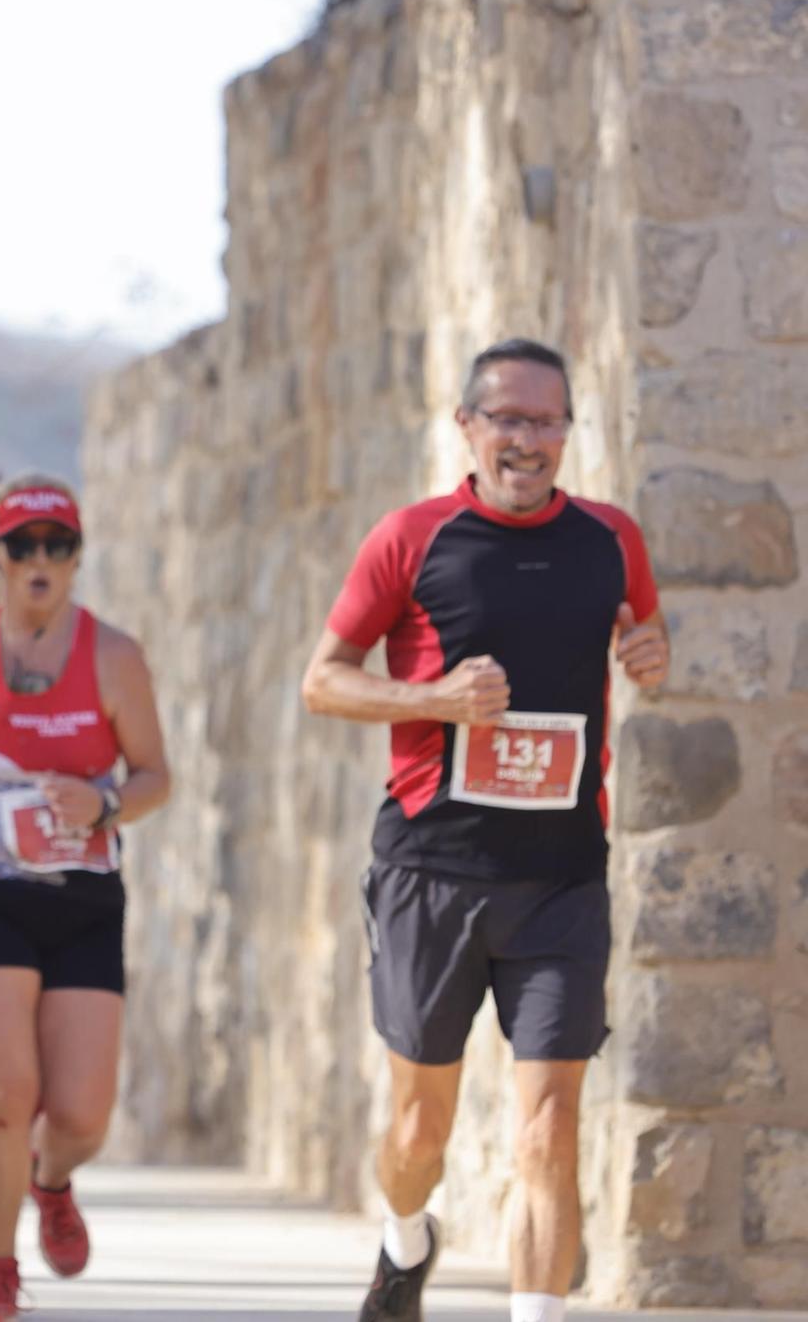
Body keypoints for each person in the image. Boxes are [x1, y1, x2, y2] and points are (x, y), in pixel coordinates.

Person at [300, 340, 668, 1322]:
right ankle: (403, 1236)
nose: (527, 439)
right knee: (420, 1130)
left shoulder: (609, 538)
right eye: (506, 417)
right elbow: (320, 679)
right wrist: (433, 697)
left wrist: (647, 648)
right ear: (465, 426)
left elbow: (644, 638)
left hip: (559, 877)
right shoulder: (412, 537)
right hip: (431, 870)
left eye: (546, 420)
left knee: (547, 1123)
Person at [0, 474, 171, 1322]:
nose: (41, 559)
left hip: (82, 894)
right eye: (24, 545)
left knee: (83, 1113)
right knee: (5, 1093)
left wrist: (107, 804)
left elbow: (157, 775)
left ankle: (53, 1179)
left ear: (79, 556)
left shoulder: (114, 655)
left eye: (58, 544)